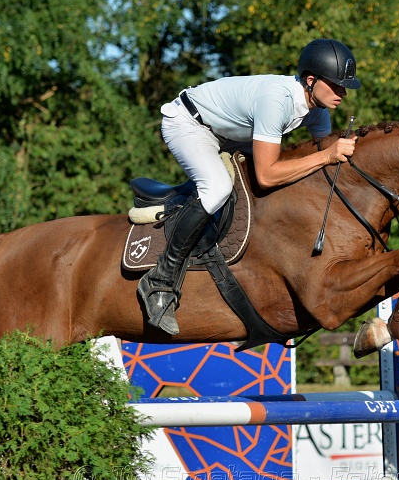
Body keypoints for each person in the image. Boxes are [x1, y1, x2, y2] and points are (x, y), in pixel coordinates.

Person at [138, 38, 361, 335]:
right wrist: (327, 155)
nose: (343, 93)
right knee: (217, 188)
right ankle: (160, 280)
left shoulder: (316, 109)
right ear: (311, 81)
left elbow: (324, 156)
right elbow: (269, 175)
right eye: (336, 86)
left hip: (228, 135)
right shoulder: (277, 101)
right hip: (189, 124)